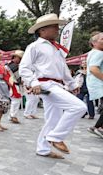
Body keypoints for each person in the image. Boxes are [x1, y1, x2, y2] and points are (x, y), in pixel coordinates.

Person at [19, 13, 86, 159]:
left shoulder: (56, 49)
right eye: (54, 26)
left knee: (53, 119)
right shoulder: (34, 46)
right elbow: (24, 68)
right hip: (46, 84)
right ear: (42, 30)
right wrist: (34, 82)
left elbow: (63, 69)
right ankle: (55, 137)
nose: (57, 29)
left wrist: (72, 83)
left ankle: (43, 149)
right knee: (79, 107)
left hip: (56, 85)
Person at [85, 32, 103, 138]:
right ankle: (100, 128)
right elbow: (93, 69)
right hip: (99, 84)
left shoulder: (93, 52)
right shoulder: (99, 53)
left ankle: (96, 126)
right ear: (94, 43)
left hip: (94, 84)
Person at [6, 50, 25, 124]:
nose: (20, 60)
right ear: (16, 57)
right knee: (16, 100)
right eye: (20, 58)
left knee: (16, 100)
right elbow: (18, 77)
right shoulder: (13, 65)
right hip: (13, 84)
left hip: (13, 84)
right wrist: (21, 81)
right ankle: (12, 116)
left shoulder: (10, 64)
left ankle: (12, 115)